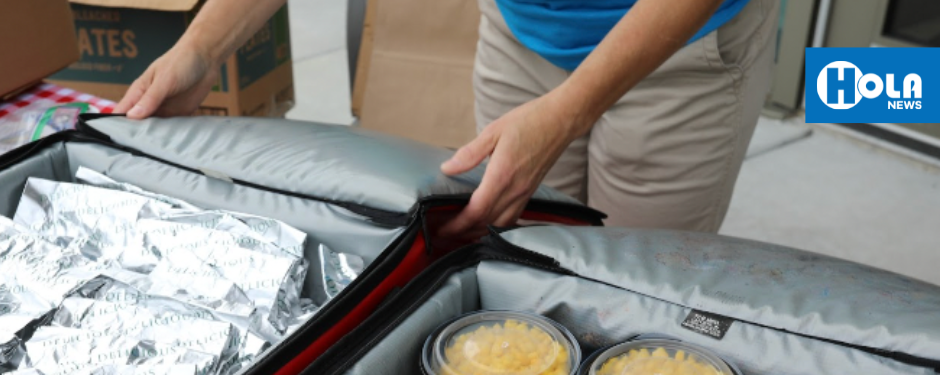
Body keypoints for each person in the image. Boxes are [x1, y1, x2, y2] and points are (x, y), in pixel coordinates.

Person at [117, 0, 777, 239]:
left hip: (680, 54)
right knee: (516, 246)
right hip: (522, 29)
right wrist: (201, 49)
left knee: (636, 282)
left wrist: (568, 112)